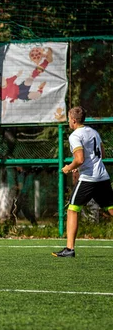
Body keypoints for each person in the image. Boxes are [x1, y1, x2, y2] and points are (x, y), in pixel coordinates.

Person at [53, 106, 113, 257]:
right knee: (111, 208)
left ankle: (69, 249)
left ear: (73, 120)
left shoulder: (75, 135)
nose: (68, 121)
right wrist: (80, 166)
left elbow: (79, 159)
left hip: (88, 179)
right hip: (102, 176)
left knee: (72, 209)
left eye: (68, 119)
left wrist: (69, 167)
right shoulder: (93, 132)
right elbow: (102, 154)